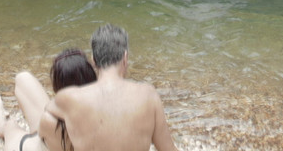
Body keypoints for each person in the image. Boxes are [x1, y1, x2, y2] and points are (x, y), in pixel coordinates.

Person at [39, 24, 179, 151]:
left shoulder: (69, 98)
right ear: (125, 58)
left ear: (93, 60)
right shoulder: (149, 95)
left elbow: (48, 112)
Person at [0, 48, 97, 151]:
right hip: (54, 139)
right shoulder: (103, 109)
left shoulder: (50, 120)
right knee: (23, 78)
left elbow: (42, 133)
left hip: (40, 145)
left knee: (10, 126)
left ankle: (1, 124)